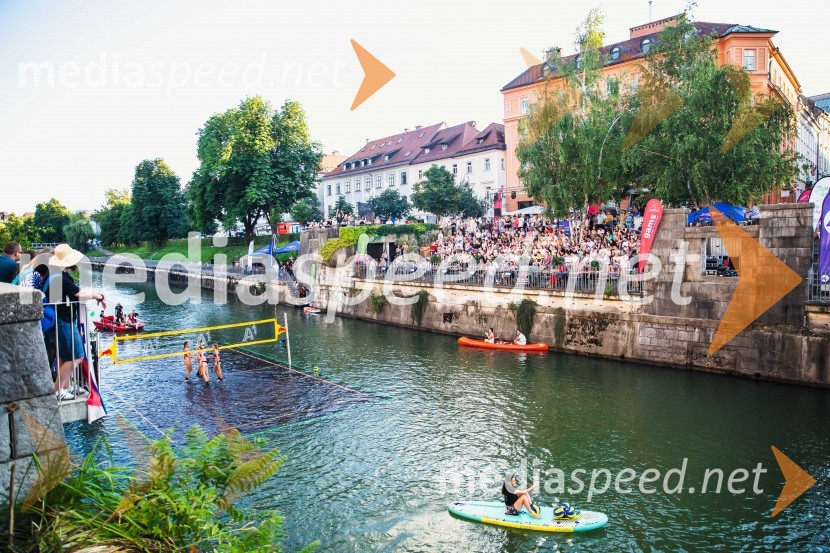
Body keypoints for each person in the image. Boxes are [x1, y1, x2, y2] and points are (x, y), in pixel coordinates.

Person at [47, 244, 106, 400]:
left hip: (62, 318)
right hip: (64, 319)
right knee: (76, 356)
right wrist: (98, 296)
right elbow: (78, 293)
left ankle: (64, 388)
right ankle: (57, 391)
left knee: (64, 355)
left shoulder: (57, 274)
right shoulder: (60, 276)